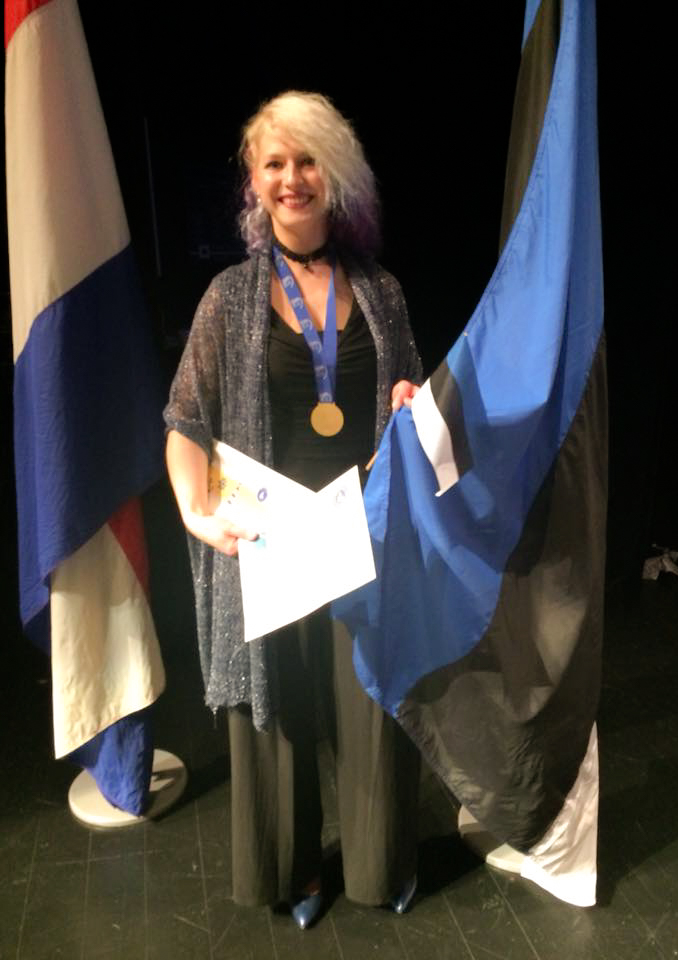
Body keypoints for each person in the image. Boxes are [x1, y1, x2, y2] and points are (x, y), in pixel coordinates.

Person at [163, 91, 423, 929]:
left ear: (334, 173)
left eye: (308, 160)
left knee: (372, 702)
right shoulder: (228, 297)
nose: (292, 178)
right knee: (278, 708)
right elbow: (186, 421)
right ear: (253, 180)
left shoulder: (380, 292)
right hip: (271, 537)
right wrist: (196, 511)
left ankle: (381, 863)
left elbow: (411, 400)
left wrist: (409, 404)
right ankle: (295, 869)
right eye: (274, 162)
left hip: (361, 530)